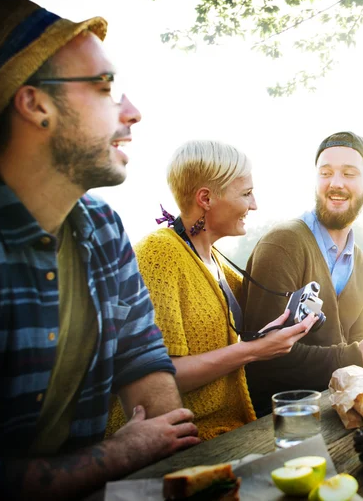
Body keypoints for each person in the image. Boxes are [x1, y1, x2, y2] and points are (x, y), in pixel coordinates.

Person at [0, 0, 199, 500]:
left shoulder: (103, 226)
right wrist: (119, 454)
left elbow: (142, 358)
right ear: (36, 103)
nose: (133, 111)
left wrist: (172, 461)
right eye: (105, 88)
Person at [106, 140, 317, 440]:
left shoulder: (215, 260)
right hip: (172, 448)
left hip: (225, 434)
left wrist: (263, 335)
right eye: (246, 194)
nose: (254, 204)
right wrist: (254, 350)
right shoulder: (158, 254)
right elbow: (160, 377)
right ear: (205, 198)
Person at [240, 131, 363, 416]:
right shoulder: (283, 244)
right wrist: (362, 353)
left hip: (340, 410)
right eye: (326, 173)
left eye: (349, 173)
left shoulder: (360, 261)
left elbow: (354, 347)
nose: (335, 184)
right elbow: (265, 357)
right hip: (281, 420)